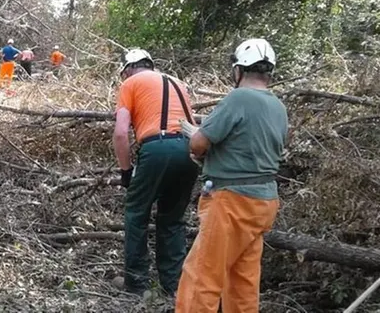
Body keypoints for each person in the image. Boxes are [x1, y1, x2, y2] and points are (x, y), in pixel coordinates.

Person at [175, 38, 287, 313]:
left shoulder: (238, 98)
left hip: (231, 202)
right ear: (268, 71)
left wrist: (197, 142)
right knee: (242, 282)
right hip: (263, 202)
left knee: (202, 277)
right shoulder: (278, 107)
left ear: (239, 70)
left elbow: (199, 143)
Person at [113, 49, 199, 297]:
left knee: (136, 213)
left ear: (128, 69)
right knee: (172, 219)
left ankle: (137, 284)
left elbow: (120, 132)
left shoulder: (130, 83)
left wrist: (126, 170)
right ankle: (173, 287)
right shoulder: (178, 84)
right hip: (189, 149)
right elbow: (193, 127)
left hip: (157, 147)